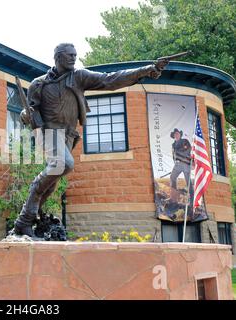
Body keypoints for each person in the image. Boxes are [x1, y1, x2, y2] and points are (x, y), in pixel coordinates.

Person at [13, 43, 167, 237]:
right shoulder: (38, 84)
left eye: (75, 55)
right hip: (49, 132)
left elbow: (110, 79)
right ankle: (27, 215)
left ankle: (25, 223)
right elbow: (30, 111)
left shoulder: (79, 76)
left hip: (68, 135)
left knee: (52, 183)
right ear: (58, 57)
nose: (73, 58)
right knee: (64, 163)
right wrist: (25, 114)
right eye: (69, 55)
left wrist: (145, 70)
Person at [169, 128, 192, 203]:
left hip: (185, 163)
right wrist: (175, 159)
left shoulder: (185, 141)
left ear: (180, 134)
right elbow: (174, 154)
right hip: (177, 164)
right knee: (172, 177)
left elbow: (188, 150)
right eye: (175, 134)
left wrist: (179, 153)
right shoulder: (173, 144)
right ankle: (174, 197)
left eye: (178, 133)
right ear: (174, 136)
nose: (177, 135)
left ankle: (192, 199)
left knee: (188, 181)